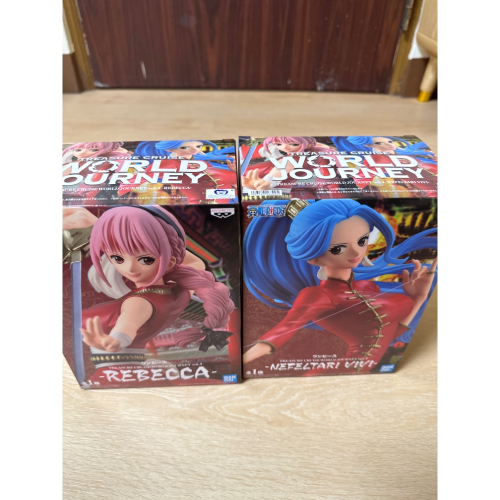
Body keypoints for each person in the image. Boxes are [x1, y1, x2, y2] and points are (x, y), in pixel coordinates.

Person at [242, 199, 437, 374]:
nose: (356, 252)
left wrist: (419, 297)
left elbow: (389, 336)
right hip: (327, 378)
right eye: (338, 249)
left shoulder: (368, 287)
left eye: (362, 241)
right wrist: (234, 365)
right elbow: (280, 333)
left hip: (362, 381)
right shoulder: (318, 295)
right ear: (313, 257)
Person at [78, 206, 234, 363]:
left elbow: (128, 325)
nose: (130, 268)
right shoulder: (178, 293)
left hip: (104, 363)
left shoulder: (140, 301)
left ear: (169, 262)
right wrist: (111, 229)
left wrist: (116, 340)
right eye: (118, 258)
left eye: (146, 260)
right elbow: (196, 263)